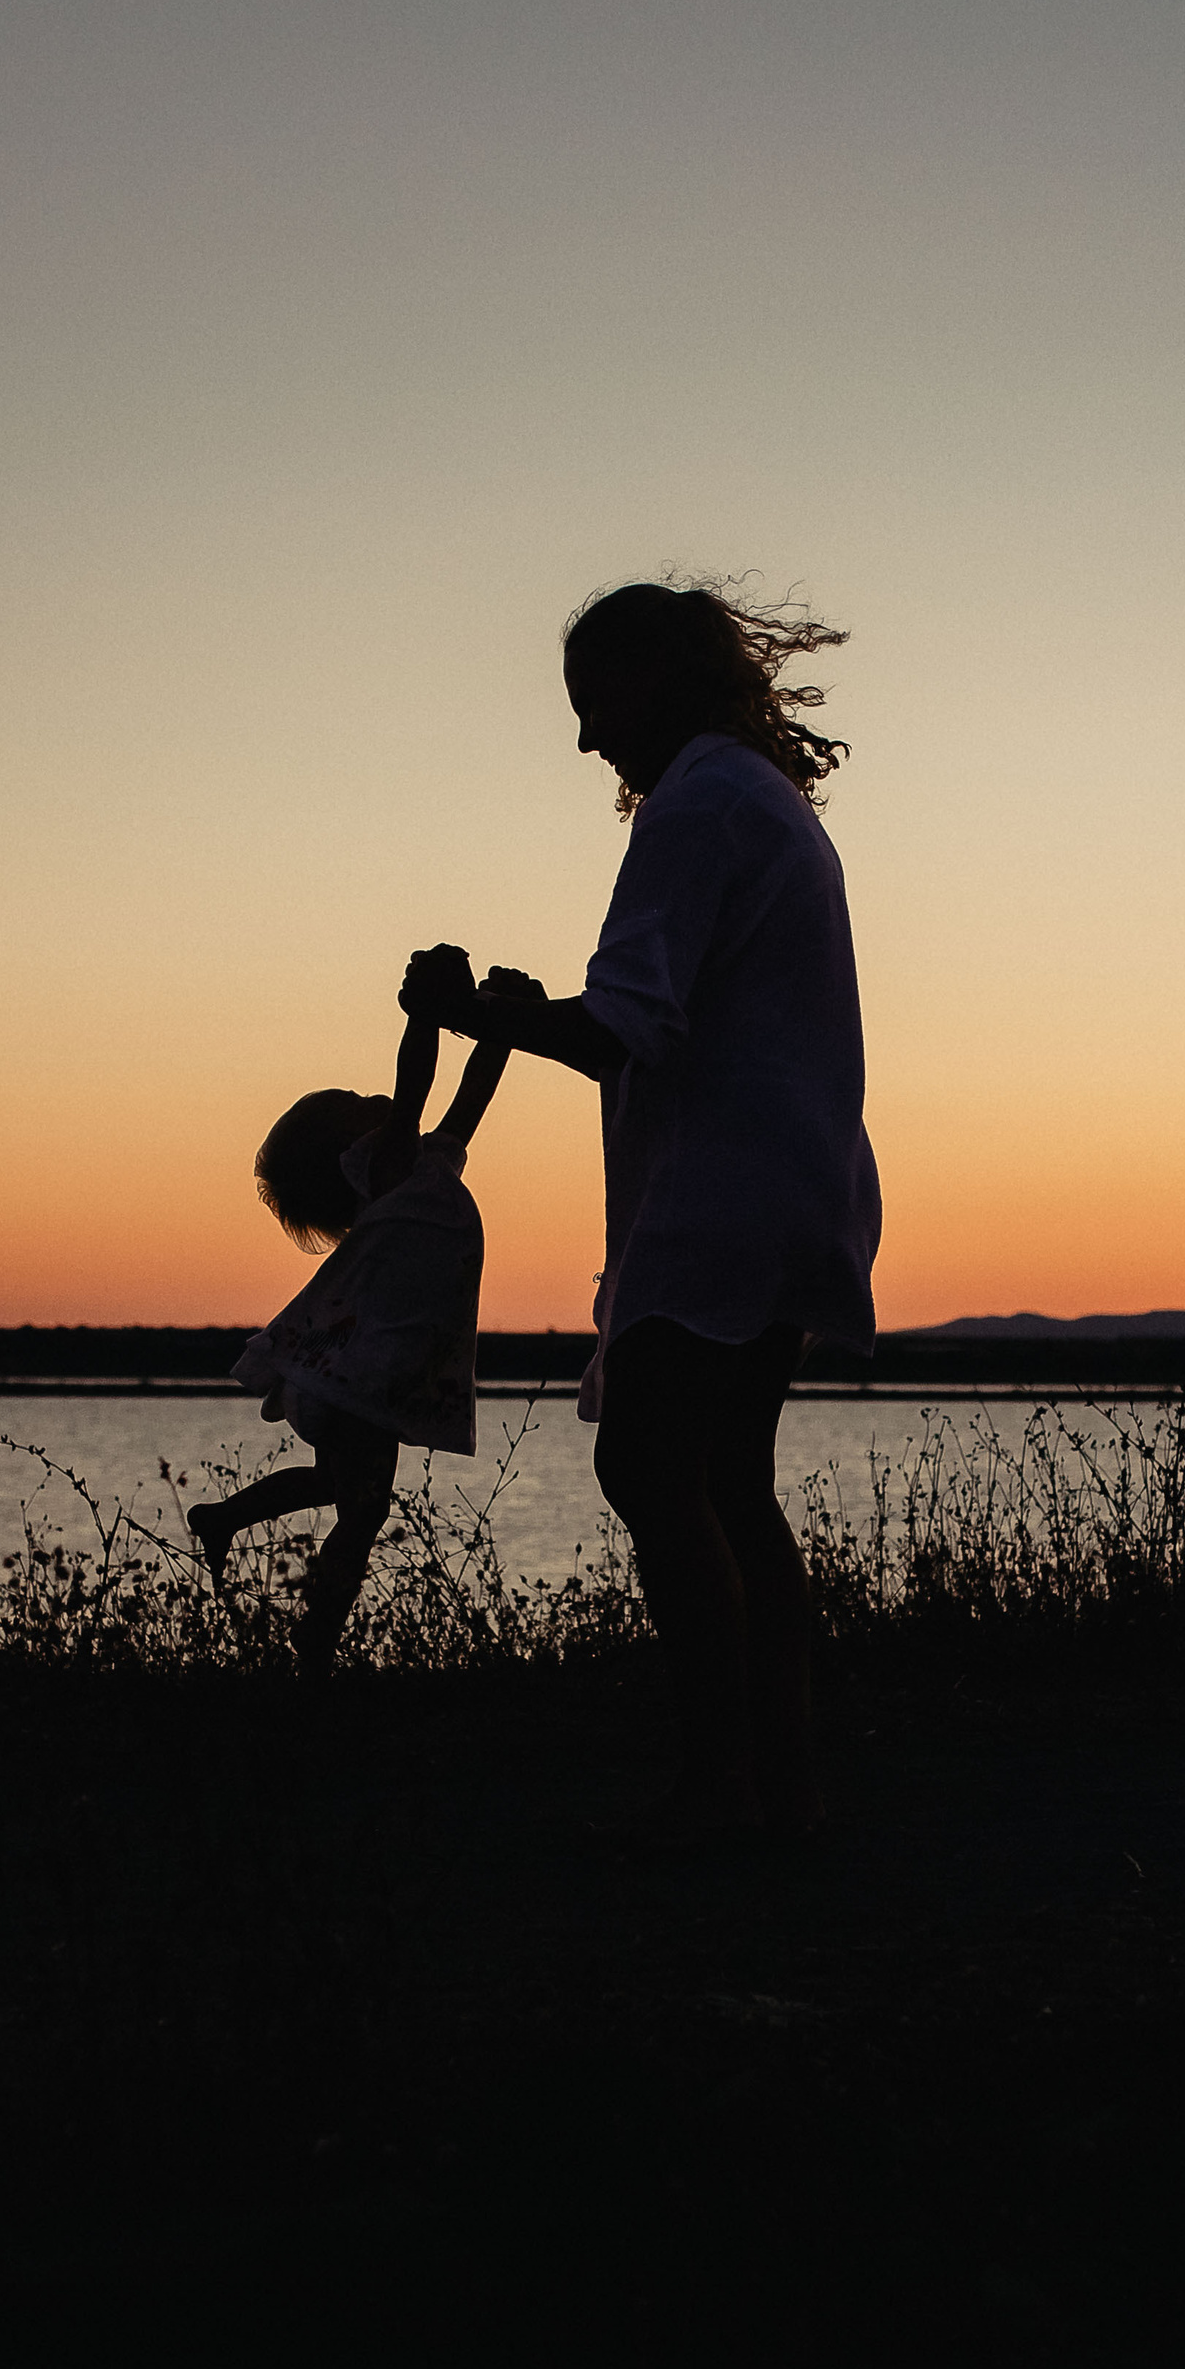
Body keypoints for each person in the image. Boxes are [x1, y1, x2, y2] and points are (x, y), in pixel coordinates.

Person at [399, 579, 880, 1841]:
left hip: (723, 1194)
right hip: (797, 1184)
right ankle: (786, 1789)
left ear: (654, 680)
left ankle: (725, 1789)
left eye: (593, 702)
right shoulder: (758, 800)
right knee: (729, 1483)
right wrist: (513, 1012)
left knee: (650, 1465)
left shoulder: (697, 807)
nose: (584, 737)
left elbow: (621, 1026)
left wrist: (472, 1013)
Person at [191, 987, 533, 1681]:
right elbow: (418, 1081)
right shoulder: (382, 1167)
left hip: (343, 1377)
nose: (371, 1095)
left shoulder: (420, 1169)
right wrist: (425, 1012)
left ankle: (224, 1518)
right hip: (357, 1376)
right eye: (352, 1098)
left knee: (340, 1487)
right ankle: (315, 1647)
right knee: (364, 1510)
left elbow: (471, 1100)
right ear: (343, 1151)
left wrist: (503, 1028)